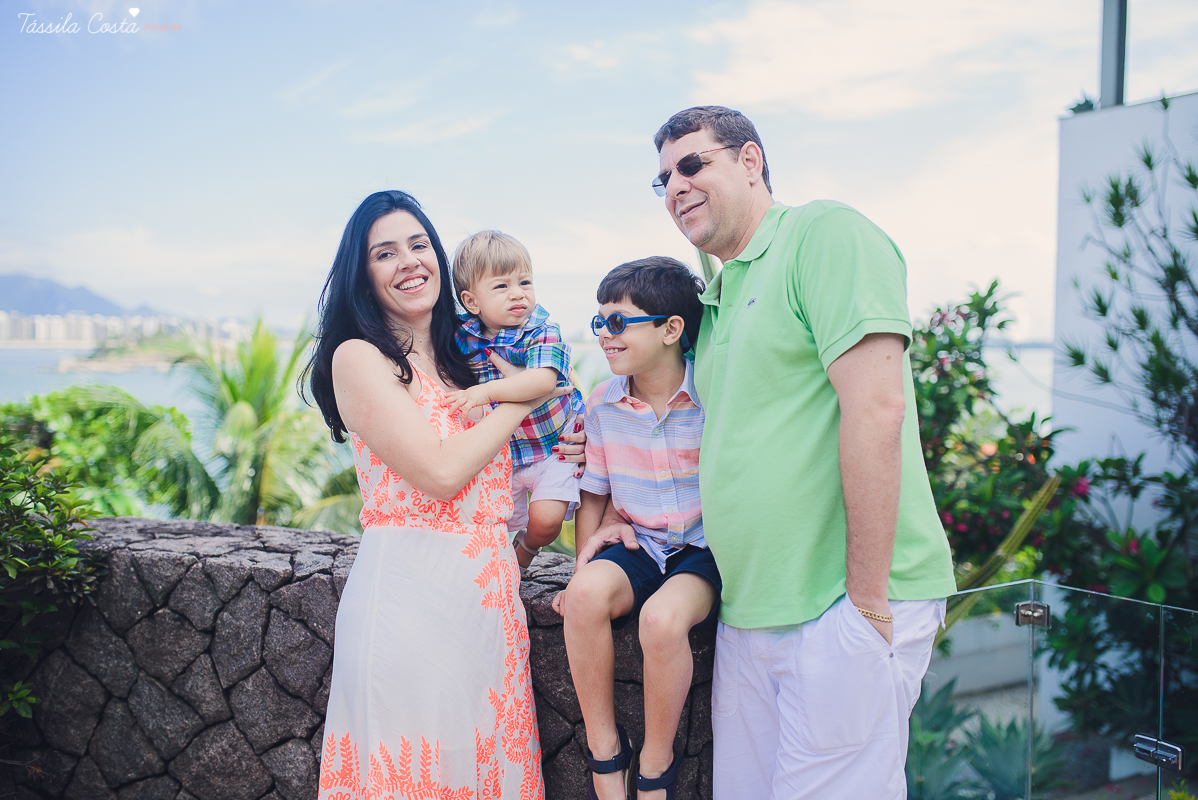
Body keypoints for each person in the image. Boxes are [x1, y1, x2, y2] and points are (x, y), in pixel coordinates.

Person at [640, 107, 959, 798]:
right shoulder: (718, 298)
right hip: (752, 612)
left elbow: (876, 410)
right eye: (663, 177)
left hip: (841, 606)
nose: (676, 185)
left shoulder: (824, 235)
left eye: (693, 164)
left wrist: (866, 602)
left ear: (750, 161)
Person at [304, 190, 573, 799]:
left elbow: (547, 427)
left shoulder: (470, 358)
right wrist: (523, 399)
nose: (409, 261)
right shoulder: (359, 357)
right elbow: (442, 474)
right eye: (385, 252)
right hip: (409, 603)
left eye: (419, 244)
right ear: (361, 273)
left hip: (486, 608)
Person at [553, 258, 719, 800]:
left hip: (703, 549)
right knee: (582, 598)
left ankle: (656, 762)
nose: (603, 334)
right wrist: (583, 567)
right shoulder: (602, 402)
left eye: (619, 322)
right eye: (599, 321)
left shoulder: (714, 397)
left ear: (672, 329)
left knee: (664, 620)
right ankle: (605, 752)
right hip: (638, 541)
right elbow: (594, 492)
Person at [446, 230, 586, 569]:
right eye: (501, 286)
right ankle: (495, 570)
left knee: (546, 520)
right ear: (472, 302)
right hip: (504, 454)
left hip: (555, 446)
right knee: (493, 522)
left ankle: (525, 551)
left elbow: (542, 380)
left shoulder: (540, 329)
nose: (518, 294)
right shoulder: (463, 335)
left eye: (524, 282)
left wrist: (486, 392)